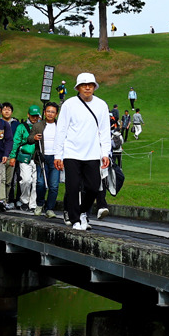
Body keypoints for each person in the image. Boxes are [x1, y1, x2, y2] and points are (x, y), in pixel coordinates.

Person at [54, 72, 113, 231]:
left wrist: (105, 153)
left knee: (94, 187)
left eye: (90, 85)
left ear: (94, 87)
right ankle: (75, 220)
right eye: (84, 85)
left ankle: (82, 213)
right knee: (72, 188)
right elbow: (61, 130)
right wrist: (58, 155)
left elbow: (105, 131)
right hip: (71, 152)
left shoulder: (101, 105)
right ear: (78, 88)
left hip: (92, 153)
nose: (87, 88)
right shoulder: (69, 104)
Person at [9, 105, 45, 211]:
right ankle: (24, 200)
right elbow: (16, 142)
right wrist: (12, 156)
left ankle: (33, 204)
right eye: (32, 116)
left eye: (36, 116)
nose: (35, 118)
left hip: (38, 158)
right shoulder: (21, 127)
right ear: (28, 115)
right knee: (25, 180)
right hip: (25, 157)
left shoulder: (42, 126)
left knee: (36, 182)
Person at [35, 101, 61, 217]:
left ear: (56, 114)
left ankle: (50, 208)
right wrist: (34, 137)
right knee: (40, 183)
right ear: (44, 112)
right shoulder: (38, 125)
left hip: (55, 158)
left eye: (53, 112)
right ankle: (40, 204)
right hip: (42, 157)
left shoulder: (60, 126)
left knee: (54, 185)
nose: (50, 114)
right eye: (48, 111)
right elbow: (29, 138)